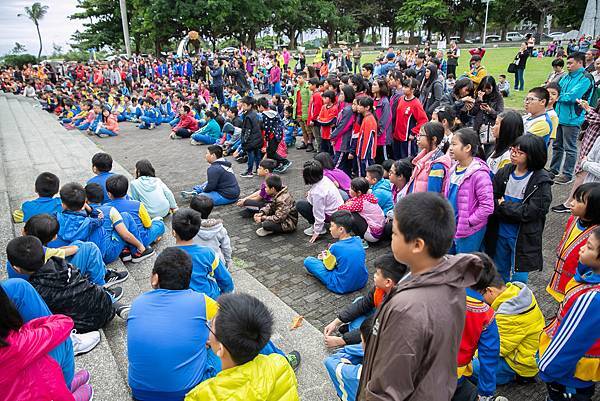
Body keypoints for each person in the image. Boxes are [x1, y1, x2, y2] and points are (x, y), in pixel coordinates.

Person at [357, 192, 483, 401]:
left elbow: (389, 388)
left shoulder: (407, 309)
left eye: (395, 233)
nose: (392, 237)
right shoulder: (452, 279)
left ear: (417, 245)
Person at [128, 247, 220, 401]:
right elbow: (225, 320)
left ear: (155, 278)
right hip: (184, 393)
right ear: (188, 280)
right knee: (222, 347)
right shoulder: (201, 300)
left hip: (139, 393)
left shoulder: (138, 303)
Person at [185, 293, 300, 401]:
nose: (208, 329)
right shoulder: (281, 364)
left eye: (210, 325)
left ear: (220, 349)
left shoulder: (202, 395)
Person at [6, 236, 119, 333]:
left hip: (86, 325)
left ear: (16, 268)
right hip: (106, 306)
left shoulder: (35, 290)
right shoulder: (63, 264)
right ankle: (114, 301)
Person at [538, 227, 600, 401]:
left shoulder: (592, 298)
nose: (581, 248)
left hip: (568, 373)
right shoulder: (589, 275)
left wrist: (546, 367)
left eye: (588, 247)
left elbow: (571, 340)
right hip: (576, 369)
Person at [0, 287, 93, 401]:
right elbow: (65, 322)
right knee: (61, 342)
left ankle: (61, 387)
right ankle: (65, 391)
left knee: (17, 286)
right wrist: (28, 329)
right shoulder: (17, 344)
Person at [471, 256, 545, 385]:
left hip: (520, 363)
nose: (481, 300)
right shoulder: (515, 292)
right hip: (524, 350)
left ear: (489, 291)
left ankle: (516, 377)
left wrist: (469, 353)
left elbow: (495, 348)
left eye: (481, 296)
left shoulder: (509, 316)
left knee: (469, 367)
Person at [323, 254, 407, 348]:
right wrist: (336, 322)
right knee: (359, 300)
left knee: (362, 339)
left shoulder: (396, 305)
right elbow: (363, 304)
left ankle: (351, 332)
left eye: (377, 274)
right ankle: (352, 331)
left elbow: (375, 326)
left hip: (387, 332)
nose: (374, 275)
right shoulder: (380, 289)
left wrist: (340, 341)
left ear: (388, 282)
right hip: (377, 314)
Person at [453, 252, 500, 401]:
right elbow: (489, 356)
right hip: (455, 373)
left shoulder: (439, 294)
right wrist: (486, 392)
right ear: (487, 285)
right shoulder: (486, 315)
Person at [547, 183, 600, 302]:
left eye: (579, 201)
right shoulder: (573, 219)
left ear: (594, 207)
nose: (572, 203)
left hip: (577, 280)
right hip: (560, 273)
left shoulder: (596, 234)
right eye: (574, 198)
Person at [446, 128, 494, 253]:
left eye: (454, 144)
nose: (450, 148)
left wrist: (469, 222)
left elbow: (487, 206)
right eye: (450, 144)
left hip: (468, 230)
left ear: (467, 148)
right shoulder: (452, 170)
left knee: (464, 265)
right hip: (451, 226)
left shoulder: (479, 174)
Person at [550, 52, 594, 185]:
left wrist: (557, 96)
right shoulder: (566, 77)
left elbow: (572, 96)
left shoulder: (585, 78)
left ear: (580, 63)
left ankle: (567, 174)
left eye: (570, 63)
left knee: (570, 147)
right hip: (559, 116)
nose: (567, 65)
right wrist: (557, 95)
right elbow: (556, 89)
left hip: (573, 118)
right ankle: (554, 170)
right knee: (557, 145)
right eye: (567, 63)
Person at [172, 208, 234, 300]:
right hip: (208, 298)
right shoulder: (208, 253)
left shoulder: (167, 255)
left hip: (181, 300)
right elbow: (226, 280)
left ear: (173, 232)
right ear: (197, 231)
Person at [552, 97, 600, 212]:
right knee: (582, 173)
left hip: (591, 143)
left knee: (582, 173)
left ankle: (573, 203)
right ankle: (575, 202)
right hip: (590, 142)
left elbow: (596, 119)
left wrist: (587, 109)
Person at [303, 210, 368, 294]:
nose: (330, 229)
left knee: (309, 261)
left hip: (342, 285)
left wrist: (323, 258)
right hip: (361, 282)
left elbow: (329, 267)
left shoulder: (335, 247)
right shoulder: (358, 240)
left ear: (341, 229)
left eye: (332, 226)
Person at [106, 174, 165, 247]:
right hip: (143, 239)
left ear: (109, 194)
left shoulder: (106, 208)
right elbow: (148, 225)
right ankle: (154, 238)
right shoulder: (138, 205)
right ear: (126, 190)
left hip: (120, 242)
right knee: (160, 224)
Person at [324, 316, 373, 401]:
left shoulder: (358, 374)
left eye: (362, 341)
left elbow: (329, 362)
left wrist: (347, 363)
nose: (360, 344)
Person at [296, 160, 344, 243]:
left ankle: (319, 229)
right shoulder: (324, 178)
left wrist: (317, 231)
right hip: (339, 210)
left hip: (331, 215)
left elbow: (318, 213)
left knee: (300, 205)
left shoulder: (317, 193)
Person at [405, 121, 452, 194]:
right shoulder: (421, 159)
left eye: (421, 135)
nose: (418, 138)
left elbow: (433, 195)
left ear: (433, 139)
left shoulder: (437, 165)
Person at [339, 177, 386, 246]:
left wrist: (346, 205)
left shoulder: (361, 202)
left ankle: (362, 239)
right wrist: (348, 203)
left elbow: (341, 209)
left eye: (351, 188)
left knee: (351, 214)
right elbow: (352, 200)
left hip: (373, 235)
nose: (349, 189)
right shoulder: (368, 196)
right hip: (380, 231)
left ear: (359, 192)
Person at [393, 78, 428, 159]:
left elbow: (423, 120)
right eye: (403, 86)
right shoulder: (401, 99)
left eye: (406, 87)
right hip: (397, 135)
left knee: (406, 160)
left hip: (407, 138)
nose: (403, 89)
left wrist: (413, 133)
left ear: (412, 89)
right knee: (397, 159)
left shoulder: (416, 104)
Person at [257, 97, 292, 172]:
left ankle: (285, 162)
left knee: (270, 153)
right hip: (278, 134)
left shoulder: (265, 116)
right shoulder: (273, 112)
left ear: (261, 106)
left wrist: (266, 140)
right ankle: (278, 165)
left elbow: (267, 129)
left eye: (258, 106)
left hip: (272, 136)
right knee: (272, 152)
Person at [472, 76, 505, 155]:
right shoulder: (478, 95)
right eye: (484, 88)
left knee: (489, 153)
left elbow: (500, 114)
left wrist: (490, 110)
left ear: (493, 87)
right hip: (478, 128)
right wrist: (478, 100)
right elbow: (472, 112)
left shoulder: (498, 97)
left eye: (488, 88)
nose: (486, 91)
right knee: (476, 153)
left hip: (490, 130)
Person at [487, 111, 524, 177]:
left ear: (506, 128)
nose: (492, 127)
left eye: (496, 124)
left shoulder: (509, 156)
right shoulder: (499, 148)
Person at [239, 96, 263, 177]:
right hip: (258, 138)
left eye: (244, 105)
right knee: (257, 155)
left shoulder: (248, 116)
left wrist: (244, 141)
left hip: (251, 140)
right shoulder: (255, 113)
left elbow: (247, 131)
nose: (243, 107)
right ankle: (258, 169)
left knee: (250, 156)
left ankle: (249, 171)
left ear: (250, 105)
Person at [294, 72, 313, 151]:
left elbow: (310, 101)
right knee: (303, 129)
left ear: (305, 79)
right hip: (298, 111)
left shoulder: (307, 88)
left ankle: (310, 143)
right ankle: (305, 142)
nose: (298, 79)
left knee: (308, 129)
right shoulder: (297, 88)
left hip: (305, 111)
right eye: (297, 77)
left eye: (300, 78)